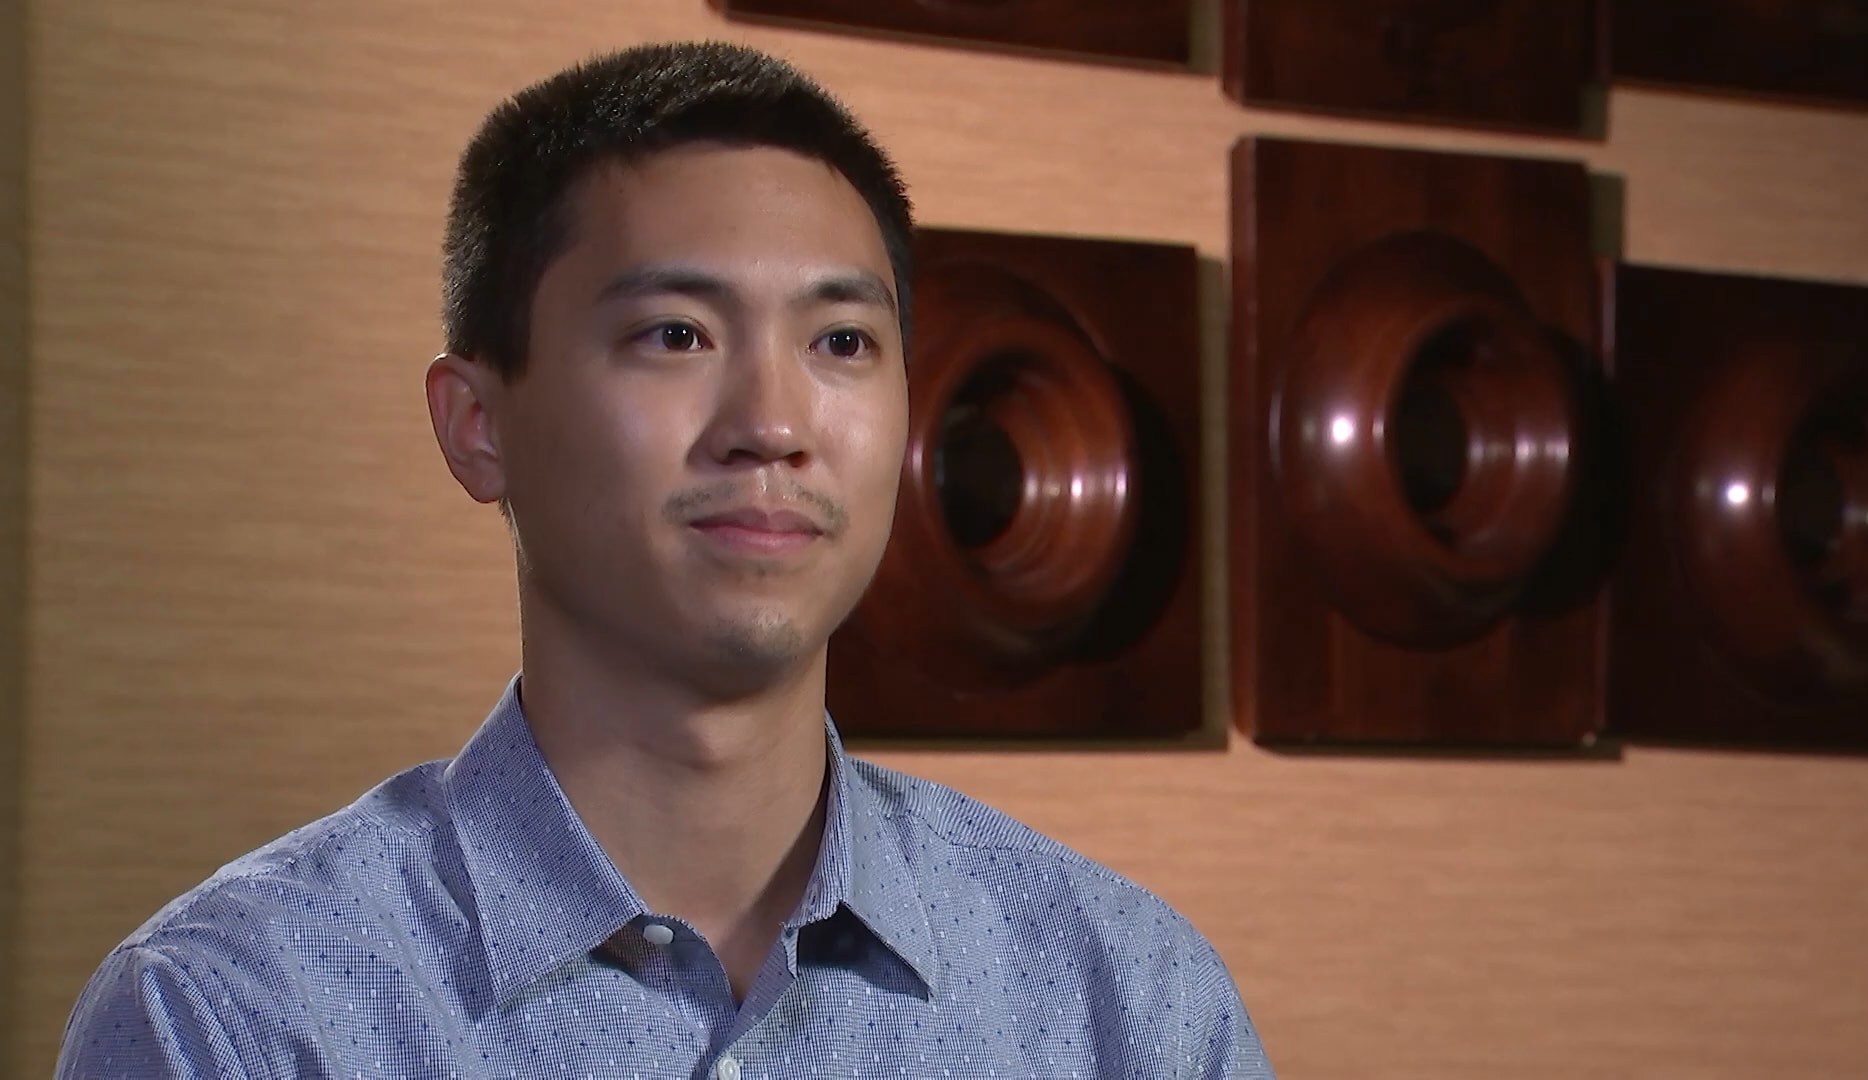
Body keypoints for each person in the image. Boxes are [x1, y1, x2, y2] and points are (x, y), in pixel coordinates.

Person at [56, 41, 1274, 1079]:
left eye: (842, 339)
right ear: (478, 426)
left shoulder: (1126, 1003)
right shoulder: (236, 1020)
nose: (774, 422)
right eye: (675, 333)